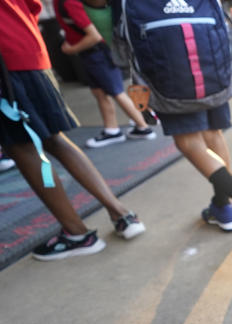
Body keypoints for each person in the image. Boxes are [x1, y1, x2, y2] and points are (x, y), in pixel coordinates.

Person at [117, 1, 232, 251]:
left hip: (168, 69)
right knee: (212, 135)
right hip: (210, 61)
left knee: (188, 141)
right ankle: (222, 206)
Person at [1, 0, 145, 261]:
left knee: (22, 147)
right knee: (56, 140)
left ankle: (77, 233)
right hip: (29, 51)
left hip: (6, 63)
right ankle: (121, 212)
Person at [54, 0, 156, 148]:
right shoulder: (62, 3)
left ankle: (143, 127)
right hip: (90, 54)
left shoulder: (70, 3)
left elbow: (94, 36)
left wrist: (72, 49)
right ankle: (112, 129)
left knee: (116, 91)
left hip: (99, 53)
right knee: (99, 92)